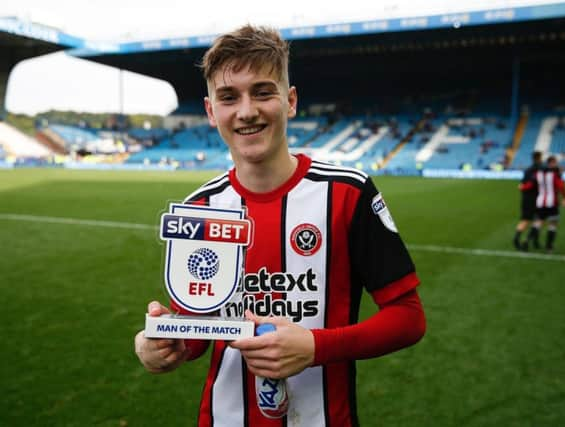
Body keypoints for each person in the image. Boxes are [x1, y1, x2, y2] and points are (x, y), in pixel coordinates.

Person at [134, 25, 426, 427]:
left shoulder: (348, 194)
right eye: (229, 97)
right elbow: (197, 334)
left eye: (263, 92)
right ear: (210, 111)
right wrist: (165, 342)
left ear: (290, 101)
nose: (247, 110)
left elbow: (408, 317)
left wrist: (314, 346)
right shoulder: (200, 209)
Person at [527, 155, 565, 252]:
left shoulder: (538, 173)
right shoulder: (554, 174)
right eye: (554, 162)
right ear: (551, 163)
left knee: (538, 222)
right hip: (552, 202)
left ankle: (527, 241)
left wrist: (523, 187)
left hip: (540, 201)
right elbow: (561, 186)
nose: (556, 164)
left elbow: (531, 185)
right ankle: (549, 246)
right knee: (552, 223)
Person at [513, 151, 542, 251]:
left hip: (526, 198)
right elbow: (531, 184)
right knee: (537, 220)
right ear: (539, 158)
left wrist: (523, 187)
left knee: (526, 219)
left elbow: (521, 185)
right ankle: (527, 240)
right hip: (536, 198)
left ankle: (520, 239)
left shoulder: (528, 170)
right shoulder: (539, 170)